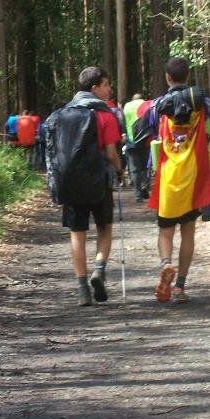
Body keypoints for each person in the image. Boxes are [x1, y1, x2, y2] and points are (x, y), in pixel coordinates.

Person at [148, 57, 210, 304]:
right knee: (188, 232)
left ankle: (166, 264)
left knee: (165, 232)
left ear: (168, 77)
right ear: (188, 76)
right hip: (193, 177)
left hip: (168, 177)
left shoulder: (159, 106)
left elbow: (143, 133)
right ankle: (179, 287)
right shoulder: (203, 103)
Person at [60, 67, 122, 306]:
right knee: (105, 227)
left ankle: (82, 287)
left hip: (71, 182)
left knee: (77, 233)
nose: (109, 89)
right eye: (106, 85)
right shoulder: (105, 115)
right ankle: (99, 269)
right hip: (99, 182)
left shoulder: (64, 113)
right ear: (94, 88)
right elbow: (111, 153)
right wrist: (119, 170)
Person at [123, 93, 150, 202]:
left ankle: (138, 195)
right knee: (145, 166)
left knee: (134, 170)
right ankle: (144, 184)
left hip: (131, 141)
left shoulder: (126, 107)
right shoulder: (147, 104)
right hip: (145, 140)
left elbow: (123, 122)